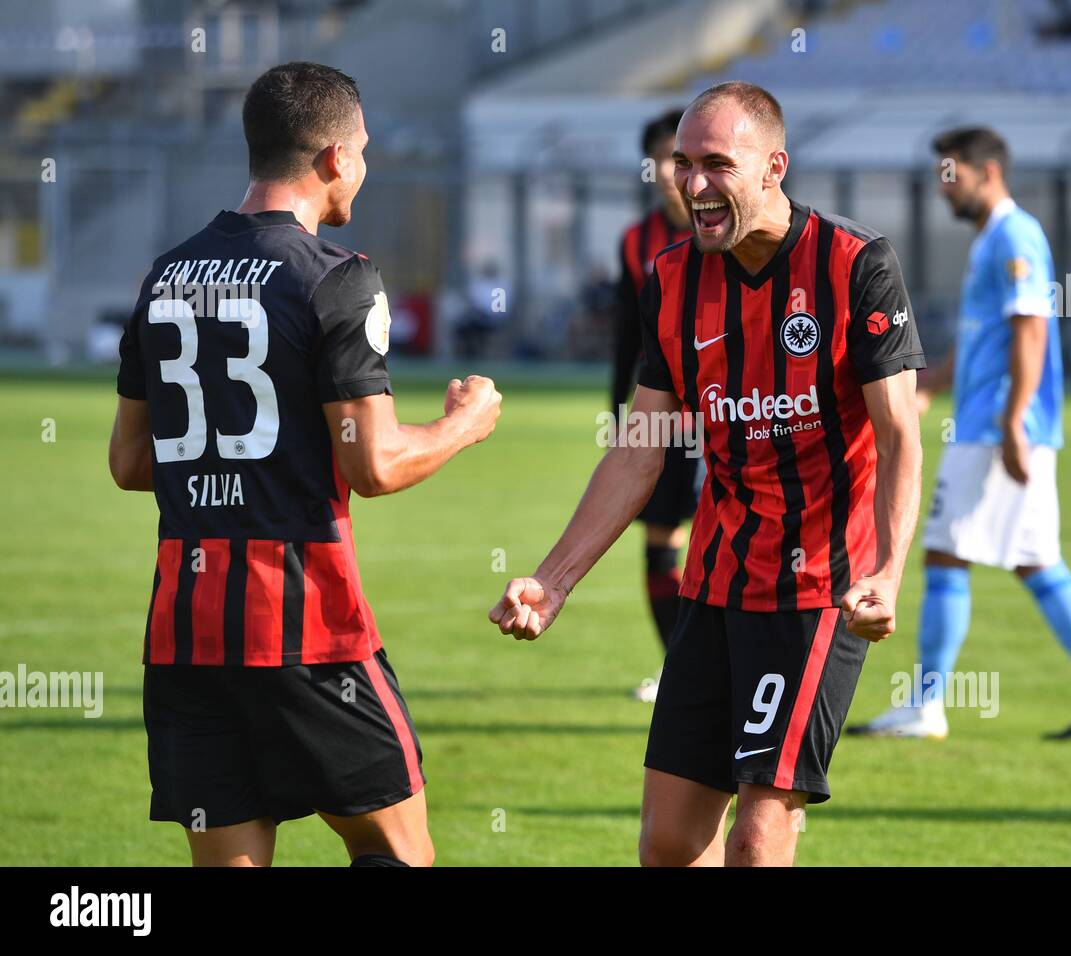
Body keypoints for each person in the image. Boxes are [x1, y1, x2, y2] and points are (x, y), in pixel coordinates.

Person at [490, 81, 925, 866]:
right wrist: (553, 581)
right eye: (684, 164)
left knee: (758, 838)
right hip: (716, 583)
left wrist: (889, 573)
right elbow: (641, 445)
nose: (692, 184)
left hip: (816, 590)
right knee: (667, 842)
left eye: (716, 163)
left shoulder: (856, 264)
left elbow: (898, 437)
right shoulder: (673, 276)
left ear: (773, 167)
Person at [108, 62, 502, 867]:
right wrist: (464, 424)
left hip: (184, 629)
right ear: (332, 157)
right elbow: (377, 465)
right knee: (396, 852)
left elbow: (130, 461)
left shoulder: (165, 278)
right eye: (362, 150)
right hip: (306, 623)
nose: (365, 166)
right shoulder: (337, 278)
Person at [848, 127, 1071, 741]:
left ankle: (926, 704)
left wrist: (1012, 422)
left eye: (950, 175)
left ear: (987, 172)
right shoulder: (992, 242)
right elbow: (981, 343)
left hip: (995, 428)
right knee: (1036, 560)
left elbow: (1031, 331)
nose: (942, 188)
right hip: (997, 423)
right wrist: (925, 389)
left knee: (944, 553)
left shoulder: (1014, 234)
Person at [611, 108, 696, 702]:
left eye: (683, 158)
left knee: (725, 540)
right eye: (664, 159)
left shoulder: (725, 229)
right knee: (660, 538)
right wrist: (618, 417)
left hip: (731, 415)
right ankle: (680, 667)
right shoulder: (637, 242)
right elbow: (626, 338)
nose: (672, 172)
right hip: (664, 418)